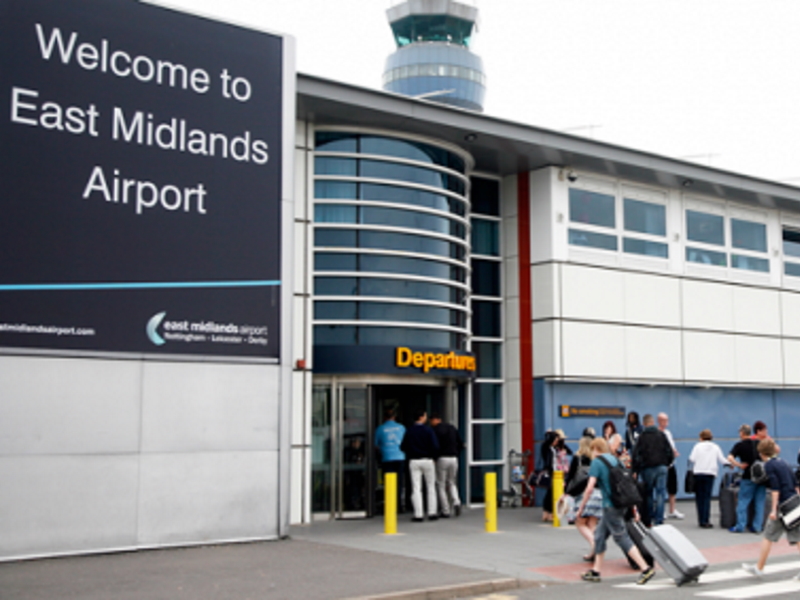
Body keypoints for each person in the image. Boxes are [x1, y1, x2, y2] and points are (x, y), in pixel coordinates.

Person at [576, 438, 656, 585]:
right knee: (599, 536)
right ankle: (596, 571)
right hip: (621, 504)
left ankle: (645, 568)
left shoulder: (597, 462)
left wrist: (581, 508)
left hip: (610, 506)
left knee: (621, 537)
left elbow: (589, 487)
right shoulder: (615, 460)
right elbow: (627, 485)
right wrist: (634, 509)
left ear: (595, 449)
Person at [742, 438, 800, 579]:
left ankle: (759, 568)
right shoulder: (784, 462)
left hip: (783, 507)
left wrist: (773, 510)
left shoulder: (769, 466)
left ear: (762, 453)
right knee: (771, 535)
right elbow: (795, 484)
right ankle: (759, 567)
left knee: (783, 537)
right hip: (793, 503)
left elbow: (775, 489)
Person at [631, 413, 673, 526]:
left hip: (647, 468)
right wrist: (667, 463)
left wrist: (635, 469)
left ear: (644, 424)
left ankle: (648, 519)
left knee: (648, 493)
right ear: (653, 422)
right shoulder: (661, 435)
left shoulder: (642, 437)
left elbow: (636, 455)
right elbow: (669, 451)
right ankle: (659, 519)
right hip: (662, 467)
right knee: (660, 492)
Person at [567, 436, 603, 561]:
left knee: (580, 522)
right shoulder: (596, 459)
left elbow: (571, 476)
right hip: (598, 494)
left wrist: (566, 491)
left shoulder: (577, 458)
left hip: (585, 493)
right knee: (591, 524)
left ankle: (595, 544)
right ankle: (593, 552)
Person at [400, 409, 439, 522]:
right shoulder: (428, 431)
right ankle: (432, 512)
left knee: (416, 488)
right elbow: (435, 446)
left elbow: (403, 447)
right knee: (431, 487)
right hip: (427, 460)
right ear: (422, 417)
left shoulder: (409, 431)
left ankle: (418, 514)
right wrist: (433, 457)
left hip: (414, 461)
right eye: (425, 416)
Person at [728, 424, 766, 533]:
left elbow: (730, 457)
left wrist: (739, 465)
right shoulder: (760, 444)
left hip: (748, 477)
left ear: (742, 433)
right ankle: (757, 527)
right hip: (761, 478)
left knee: (743, 501)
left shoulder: (740, 445)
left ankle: (740, 526)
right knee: (759, 502)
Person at [688, 429, 730, 528]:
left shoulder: (697, 446)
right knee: (707, 497)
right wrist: (729, 464)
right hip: (710, 473)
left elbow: (692, 459)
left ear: (701, 437)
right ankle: (706, 520)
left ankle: (701, 519)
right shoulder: (715, 447)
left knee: (699, 497)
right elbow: (722, 459)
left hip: (698, 473)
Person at [429, 412, 464, 518]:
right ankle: (456, 502)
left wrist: (434, 458)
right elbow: (461, 443)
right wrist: (456, 453)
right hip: (453, 458)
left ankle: (446, 510)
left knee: (441, 485)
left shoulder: (435, 431)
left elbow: (434, 446)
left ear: (434, 420)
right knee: (452, 482)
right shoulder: (452, 428)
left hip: (442, 458)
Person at [374, 407, 406, 513]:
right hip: (400, 457)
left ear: (384, 417)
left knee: (388, 483)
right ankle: (399, 505)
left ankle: (390, 505)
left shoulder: (380, 429)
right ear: (395, 417)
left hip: (387, 458)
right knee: (399, 483)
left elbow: (376, 445)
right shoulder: (401, 428)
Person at [658, 412, 684, 520]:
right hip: (662, 464)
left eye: (667, 421)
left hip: (671, 464)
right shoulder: (657, 434)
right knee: (661, 488)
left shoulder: (668, 433)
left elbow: (671, 446)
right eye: (664, 421)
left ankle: (672, 510)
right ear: (659, 421)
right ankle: (661, 510)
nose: (666, 423)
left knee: (672, 487)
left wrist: (674, 452)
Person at [538, 430, 559, 522]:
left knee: (549, 493)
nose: (557, 442)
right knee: (551, 493)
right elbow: (550, 462)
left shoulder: (548, 448)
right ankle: (549, 513)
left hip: (551, 472)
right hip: (551, 472)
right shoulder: (548, 449)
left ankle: (546, 513)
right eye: (555, 440)